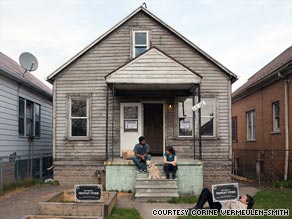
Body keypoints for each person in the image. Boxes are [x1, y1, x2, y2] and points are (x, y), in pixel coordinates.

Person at [190, 188, 254, 210]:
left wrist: (234, 200)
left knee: (206, 192)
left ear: (246, 202)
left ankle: (198, 208)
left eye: (244, 198)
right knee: (205, 189)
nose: (242, 197)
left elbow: (233, 211)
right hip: (220, 204)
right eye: (243, 196)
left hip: (219, 208)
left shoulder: (243, 207)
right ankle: (198, 206)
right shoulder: (240, 201)